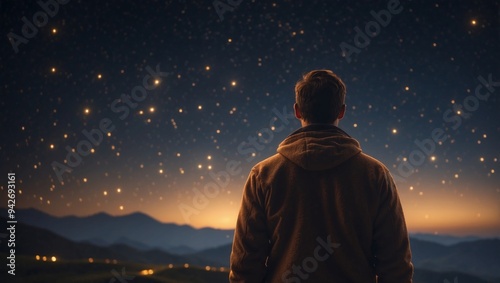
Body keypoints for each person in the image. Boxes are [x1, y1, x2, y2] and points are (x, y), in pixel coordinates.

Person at [229, 70, 413, 282]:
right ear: (342, 111)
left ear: (297, 111)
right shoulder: (376, 175)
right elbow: (396, 266)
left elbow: (245, 265)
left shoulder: (263, 175)